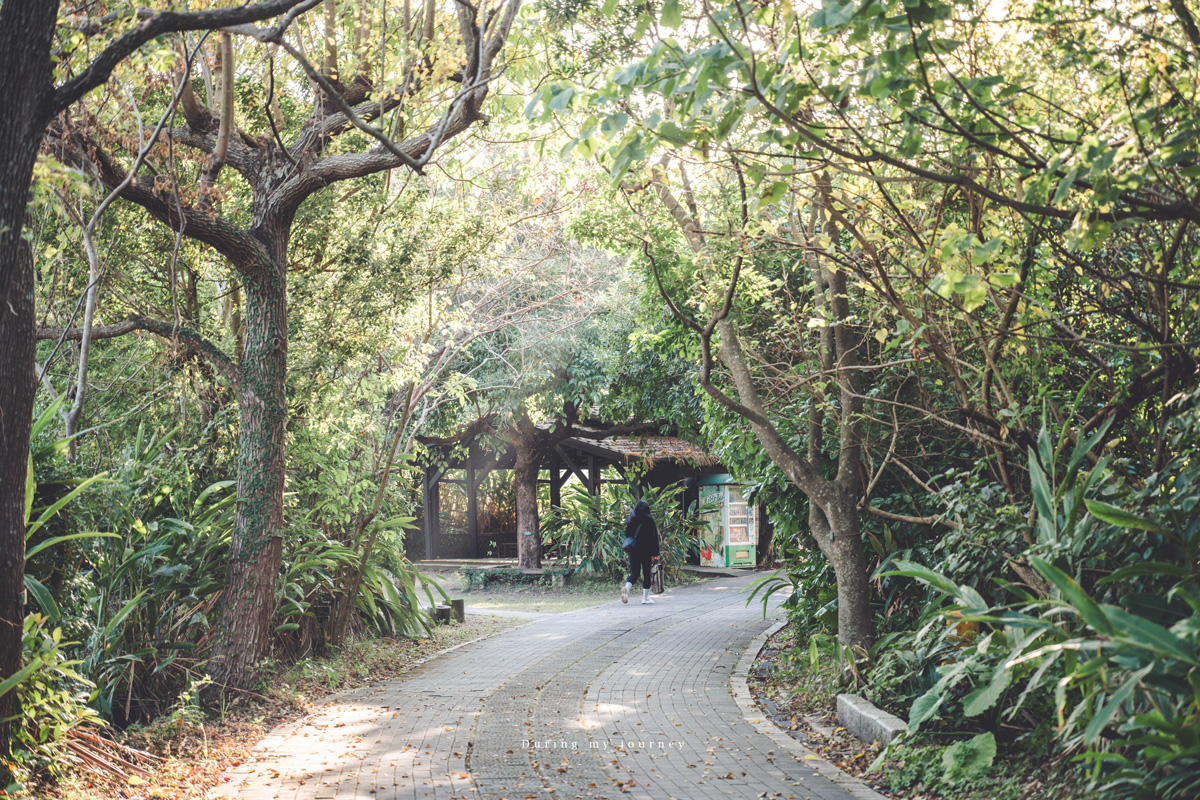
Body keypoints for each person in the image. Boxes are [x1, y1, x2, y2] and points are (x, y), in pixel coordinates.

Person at [621, 499, 660, 605]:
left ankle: (627, 589)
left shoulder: (631, 519)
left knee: (635, 573)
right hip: (646, 551)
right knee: (646, 573)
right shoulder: (649, 520)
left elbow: (627, 534)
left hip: (633, 551)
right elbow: (654, 538)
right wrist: (656, 553)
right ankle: (645, 598)